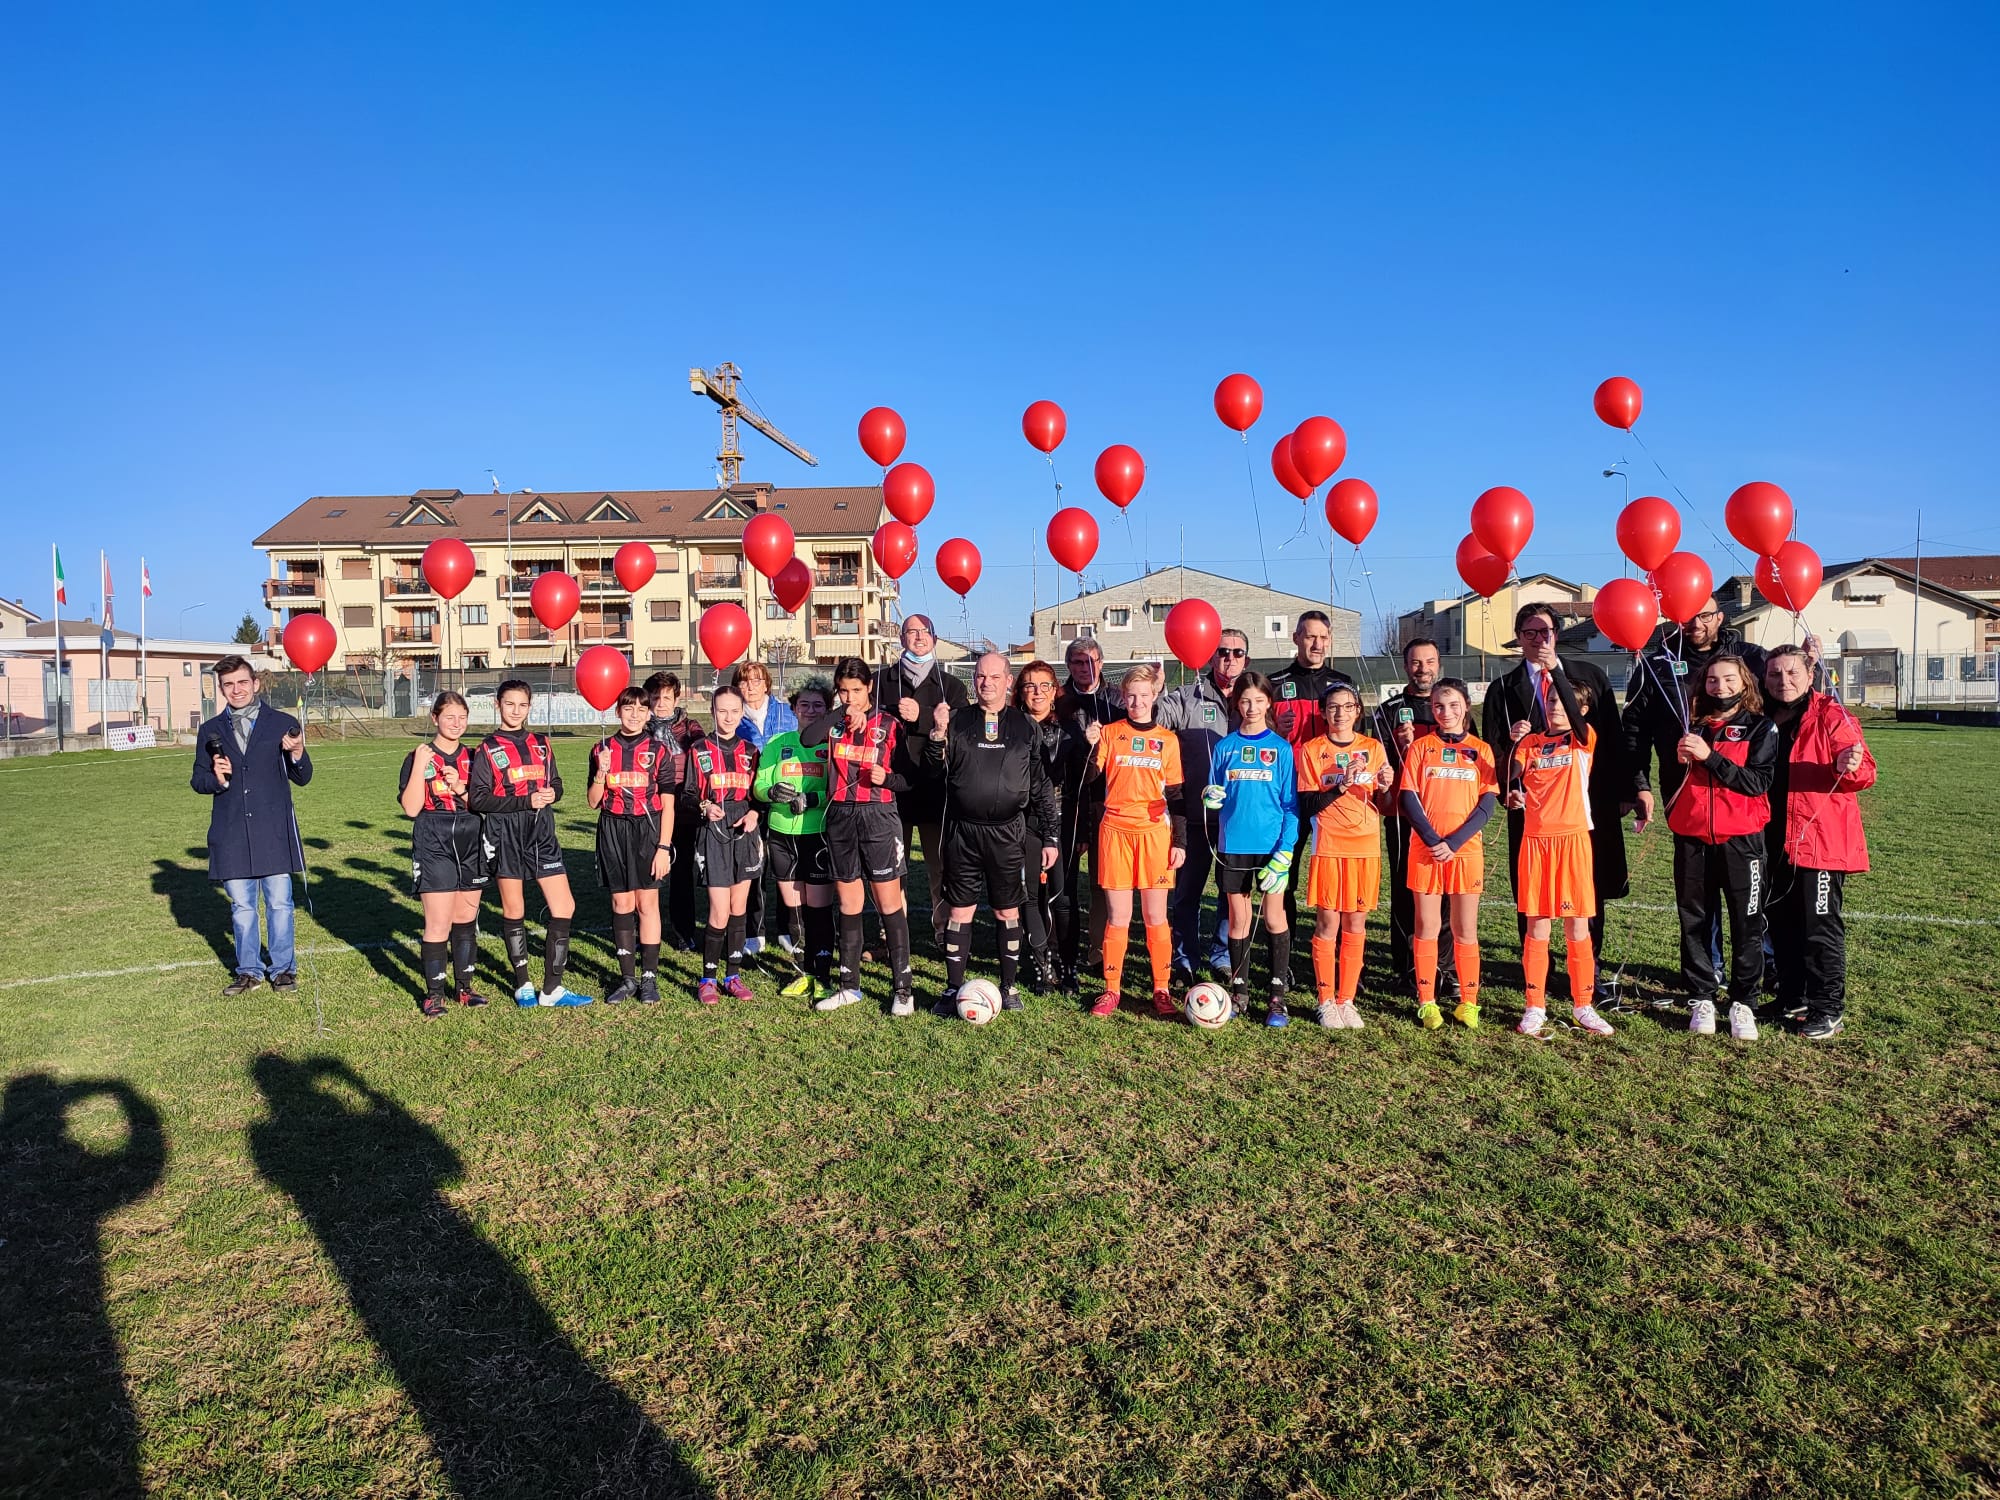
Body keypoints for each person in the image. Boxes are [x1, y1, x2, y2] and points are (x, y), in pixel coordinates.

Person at [1482, 602, 1628, 969]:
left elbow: (1611, 736)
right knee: (1530, 893)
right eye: (1528, 633)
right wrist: (1507, 786)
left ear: (1556, 634)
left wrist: (1627, 788)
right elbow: (1494, 746)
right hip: (1531, 811)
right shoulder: (1502, 688)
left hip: (1583, 805)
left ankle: (1586, 966)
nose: (1537, 639)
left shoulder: (1589, 675)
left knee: (1586, 888)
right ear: (1518, 638)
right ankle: (1536, 970)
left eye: (1544, 631)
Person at [924, 652, 1061, 1015]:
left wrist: (1050, 836)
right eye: (981, 677)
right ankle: (954, 987)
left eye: (995, 677)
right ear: (974, 680)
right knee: (961, 909)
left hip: (1008, 835)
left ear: (1008, 681)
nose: (987, 683)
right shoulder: (955, 721)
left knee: (1007, 911)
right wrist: (937, 736)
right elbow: (931, 775)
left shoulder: (1024, 726)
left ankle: (1010, 986)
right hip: (962, 833)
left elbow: (1040, 785)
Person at [1763, 645, 1875, 1039]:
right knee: (1780, 924)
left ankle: (1827, 1007)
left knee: (1819, 928)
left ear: (1810, 674)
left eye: (1792, 672)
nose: (1783, 681)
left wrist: (1851, 764)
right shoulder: (1763, 715)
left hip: (1819, 841)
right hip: (1771, 840)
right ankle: (1791, 997)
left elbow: (1864, 773)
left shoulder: (1831, 714)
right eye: (1775, 674)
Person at [1667, 654, 1778, 1041]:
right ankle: (1701, 996)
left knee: (1746, 924)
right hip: (1693, 840)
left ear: (1745, 683)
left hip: (1741, 842)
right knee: (1695, 921)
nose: (1721, 687)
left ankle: (1744, 1001)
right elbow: (1674, 778)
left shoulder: (1762, 728)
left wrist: (1709, 757)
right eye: (1712, 680)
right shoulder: (1692, 726)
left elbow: (1757, 783)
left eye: (1729, 679)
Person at [191, 655, 312, 996]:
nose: (236, 690)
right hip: (231, 833)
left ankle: (284, 970)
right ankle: (248, 971)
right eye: (228, 685)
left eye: (242, 682)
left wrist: (298, 752)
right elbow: (198, 780)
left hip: (273, 831)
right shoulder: (210, 730)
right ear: (221, 689)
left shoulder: (281, 723)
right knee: (242, 907)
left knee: (279, 904)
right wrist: (215, 778)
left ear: (255, 684)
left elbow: (302, 777)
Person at [802, 656, 916, 1015]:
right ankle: (849, 985)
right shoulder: (834, 724)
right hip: (840, 818)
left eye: (856, 690)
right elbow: (807, 738)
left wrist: (888, 779)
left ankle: (903, 990)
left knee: (888, 903)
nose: (850, 696)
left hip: (878, 817)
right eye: (843, 690)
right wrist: (840, 714)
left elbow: (909, 778)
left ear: (869, 688)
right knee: (849, 903)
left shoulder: (890, 724)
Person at [1504, 672, 1616, 1037]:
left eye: (1562, 701)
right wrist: (1514, 786)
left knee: (1577, 927)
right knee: (1537, 928)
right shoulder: (1531, 742)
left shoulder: (1582, 740)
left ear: (1580, 709)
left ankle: (1583, 1005)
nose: (1555, 706)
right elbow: (1515, 777)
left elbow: (1580, 722)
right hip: (1536, 841)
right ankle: (1535, 1007)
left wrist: (1556, 671)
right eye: (1550, 700)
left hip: (1573, 840)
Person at [466, 680, 590, 1007]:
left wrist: (553, 794)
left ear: (529, 706)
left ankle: (552, 989)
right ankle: (523, 985)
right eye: (510, 704)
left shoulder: (541, 743)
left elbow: (557, 783)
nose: (516, 711)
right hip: (505, 834)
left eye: (522, 705)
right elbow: (478, 799)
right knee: (514, 907)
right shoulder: (487, 748)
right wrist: (524, 801)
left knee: (564, 906)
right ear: (498, 705)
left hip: (541, 832)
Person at [1082, 665, 1186, 1018]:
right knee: (1119, 916)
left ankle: (1161, 990)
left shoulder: (1167, 740)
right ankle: (1111, 990)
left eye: (1144, 695)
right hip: (1115, 832)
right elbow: (1091, 780)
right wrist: (1090, 746)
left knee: (1156, 915)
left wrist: (1180, 841)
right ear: (1122, 697)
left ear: (1155, 695)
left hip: (1155, 834)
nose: (1137, 702)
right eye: (1131, 696)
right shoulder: (1110, 734)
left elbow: (1176, 795)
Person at [1397, 677, 1499, 1030]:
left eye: (1453, 705)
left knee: (1464, 929)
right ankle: (1427, 1001)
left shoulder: (1481, 750)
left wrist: (1453, 843)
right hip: (1425, 851)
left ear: (1465, 707)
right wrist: (1430, 838)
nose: (1446, 712)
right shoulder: (1421, 748)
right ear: (1432, 709)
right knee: (1425, 926)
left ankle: (1468, 1003)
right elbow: (1408, 797)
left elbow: (1487, 805)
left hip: (1465, 852)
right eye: (1439, 706)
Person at [1295, 682, 1396, 1030]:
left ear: (1358, 711)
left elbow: (1385, 807)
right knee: (1328, 924)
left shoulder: (1373, 748)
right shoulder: (1311, 750)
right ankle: (1325, 1000)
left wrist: (1385, 787)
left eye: (1347, 706)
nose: (1340, 713)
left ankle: (1347, 1000)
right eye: (1333, 707)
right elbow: (1306, 803)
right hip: (1330, 847)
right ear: (1324, 712)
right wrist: (1339, 785)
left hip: (1365, 849)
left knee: (1356, 925)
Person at [1200, 672, 1298, 1025]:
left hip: (1271, 849)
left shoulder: (1282, 749)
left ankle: (1276, 998)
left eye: (1258, 700)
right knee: (1238, 920)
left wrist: (1284, 853)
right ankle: (1239, 991)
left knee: (1273, 918)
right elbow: (1215, 792)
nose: (1251, 707)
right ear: (1236, 704)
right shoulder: (1225, 747)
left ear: (1269, 703)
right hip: (1233, 846)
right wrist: (1209, 798)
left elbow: (1290, 805)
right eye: (1245, 701)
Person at [874, 615, 969, 946]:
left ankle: (943, 932)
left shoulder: (951, 686)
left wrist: (925, 717)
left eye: (924, 632)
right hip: (888, 788)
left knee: (939, 867)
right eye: (910, 631)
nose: (918, 637)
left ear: (934, 638)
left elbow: (962, 733)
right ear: (900, 638)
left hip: (934, 790)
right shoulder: (880, 681)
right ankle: (892, 935)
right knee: (891, 869)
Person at [1159, 628, 1246, 976]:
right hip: (1195, 816)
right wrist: (1155, 690)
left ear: (1246, 659)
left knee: (1231, 894)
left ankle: (1222, 956)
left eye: (1237, 653)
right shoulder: (1186, 696)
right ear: (1210, 655)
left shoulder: (1252, 697)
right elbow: (1155, 720)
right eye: (1223, 651)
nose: (1229, 658)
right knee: (1186, 895)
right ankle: (1184, 959)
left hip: (1237, 819)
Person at [396, 691, 489, 1017]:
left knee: (465, 919)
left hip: (470, 838)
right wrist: (422, 765)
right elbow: (410, 808)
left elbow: (486, 804)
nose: (456, 723)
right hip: (433, 839)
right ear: (434, 718)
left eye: (462, 717)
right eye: (449, 717)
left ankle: (464, 988)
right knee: (438, 922)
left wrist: (461, 787)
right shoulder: (418, 756)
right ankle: (435, 994)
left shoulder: (477, 757)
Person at [588, 686, 677, 1006]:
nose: (635, 714)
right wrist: (602, 772)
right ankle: (627, 978)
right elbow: (592, 802)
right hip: (613, 830)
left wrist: (663, 847)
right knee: (621, 905)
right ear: (617, 712)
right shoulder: (602, 748)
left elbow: (668, 805)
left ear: (649, 713)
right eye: (628, 709)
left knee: (647, 905)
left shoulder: (659, 750)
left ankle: (649, 979)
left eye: (642, 708)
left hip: (648, 831)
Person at [752, 679, 838, 1001]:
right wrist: (770, 792)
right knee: (795, 910)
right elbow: (759, 785)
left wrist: (812, 800)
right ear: (794, 709)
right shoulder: (778, 743)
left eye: (818, 705)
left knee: (819, 909)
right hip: (782, 835)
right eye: (805, 705)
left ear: (827, 710)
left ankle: (823, 974)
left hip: (817, 835)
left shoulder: (831, 744)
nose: (811, 711)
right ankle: (804, 973)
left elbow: (837, 789)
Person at [1267, 610, 1352, 930]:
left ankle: (1339, 948)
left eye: (1323, 637)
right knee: (1284, 868)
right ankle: (1282, 948)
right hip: (1290, 792)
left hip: (1332, 792)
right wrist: (1276, 727)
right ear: (1296, 639)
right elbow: (1261, 739)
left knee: (1336, 872)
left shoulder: (1343, 684)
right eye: (1310, 636)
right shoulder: (1276, 684)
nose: (1317, 644)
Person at [683, 684, 762, 1006]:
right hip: (713, 832)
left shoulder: (751, 751)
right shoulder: (699, 749)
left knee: (738, 908)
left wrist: (756, 812)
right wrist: (704, 807)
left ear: (741, 713)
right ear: (712, 713)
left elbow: (761, 795)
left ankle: (733, 975)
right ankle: (707, 978)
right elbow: (688, 795)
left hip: (744, 830)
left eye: (734, 711)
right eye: (721, 711)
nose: (728, 717)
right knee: (718, 910)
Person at [1012, 660, 1088, 991]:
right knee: (1030, 895)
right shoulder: (1011, 728)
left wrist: (1082, 829)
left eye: (1044, 686)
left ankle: (1067, 963)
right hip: (1023, 823)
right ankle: (1042, 963)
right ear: (1020, 691)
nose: (1037, 692)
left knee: (1063, 896)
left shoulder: (1071, 730)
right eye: (1030, 685)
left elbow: (1085, 784)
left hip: (1063, 820)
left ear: (1055, 691)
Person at [1380, 638, 1448, 998]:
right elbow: (1377, 762)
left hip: (1448, 814)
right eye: (1416, 663)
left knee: (1448, 893)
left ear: (1439, 664)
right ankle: (1406, 968)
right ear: (1406, 666)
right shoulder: (1390, 709)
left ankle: (1446, 968)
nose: (1424, 669)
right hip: (1403, 815)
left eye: (1430, 661)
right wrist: (1397, 745)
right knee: (1406, 889)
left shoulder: (1453, 706)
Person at [1053, 636, 1123, 979]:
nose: (1086, 668)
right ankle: (1056, 947)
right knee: (1060, 880)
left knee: (1101, 881)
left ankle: (1098, 951)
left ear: (1102, 662)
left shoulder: (1117, 700)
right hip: (1065, 799)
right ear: (1069, 666)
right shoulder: (1059, 699)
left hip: (1104, 800)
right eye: (1079, 662)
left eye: (1092, 661)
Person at [728, 661, 796, 955]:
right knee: (753, 866)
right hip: (750, 800)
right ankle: (755, 932)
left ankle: (788, 929)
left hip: (787, 799)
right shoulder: (733, 717)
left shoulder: (786, 713)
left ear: (767, 684)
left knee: (786, 867)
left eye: (757, 680)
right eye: (744, 682)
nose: (751, 686)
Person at [645, 672, 703, 950]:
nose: (661, 703)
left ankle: (684, 933)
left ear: (677, 698)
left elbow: (705, 757)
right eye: (656, 697)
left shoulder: (690, 728)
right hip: (648, 812)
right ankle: (643, 930)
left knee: (681, 874)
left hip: (683, 812)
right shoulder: (640, 727)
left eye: (667, 697)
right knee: (645, 875)